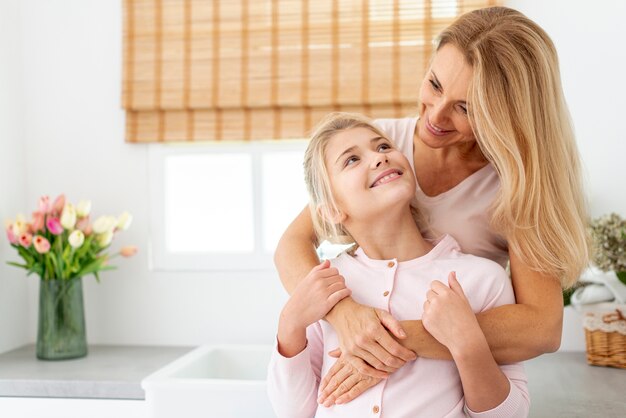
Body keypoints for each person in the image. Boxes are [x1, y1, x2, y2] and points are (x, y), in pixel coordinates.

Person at [274, 5, 589, 405]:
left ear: (506, 115)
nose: (436, 116)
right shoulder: (380, 145)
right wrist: (346, 317)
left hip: (447, 387)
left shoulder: (518, 185)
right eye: (435, 84)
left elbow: (541, 328)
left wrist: (388, 343)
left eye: (466, 107)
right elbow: (292, 246)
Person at [267, 113, 530, 417]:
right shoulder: (325, 287)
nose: (379, 159)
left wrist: (467, 343)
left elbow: (512, 414)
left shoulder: (481, 279)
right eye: (351, 160)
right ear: (332, 210)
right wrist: (290, 325)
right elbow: (293, 412)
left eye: (383, 147)